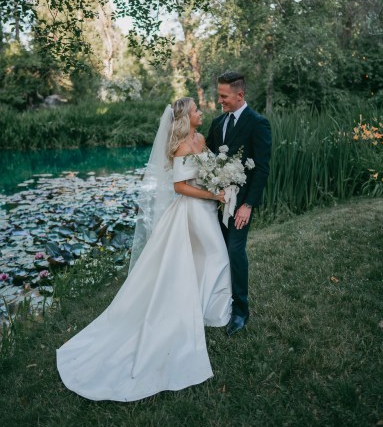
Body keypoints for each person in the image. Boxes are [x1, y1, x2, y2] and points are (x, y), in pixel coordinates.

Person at [56, 98, 232, 402]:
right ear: (185, 118)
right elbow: (179, 186)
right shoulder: (179, 146)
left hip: (205, 209)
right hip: (190, 210)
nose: (200, 113)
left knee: (211, 257)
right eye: (195, 111)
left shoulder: (201, 139)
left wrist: (221, 180)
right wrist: (212, 194)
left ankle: (209, 310)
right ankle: (202, 311)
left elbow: (210, 167)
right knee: (210, 256)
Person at [206, 71, 272, 337]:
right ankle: (219, 301)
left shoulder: (258, 123)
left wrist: (248, 205)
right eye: (219, 95)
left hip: (241, 204)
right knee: (217, 252)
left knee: (235, 251)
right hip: (216, 202)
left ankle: (241, 311)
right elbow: (208, 157)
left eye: (224, 96)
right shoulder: (217, 122)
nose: (220, 101)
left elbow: (262, 168)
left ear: (240, 95)